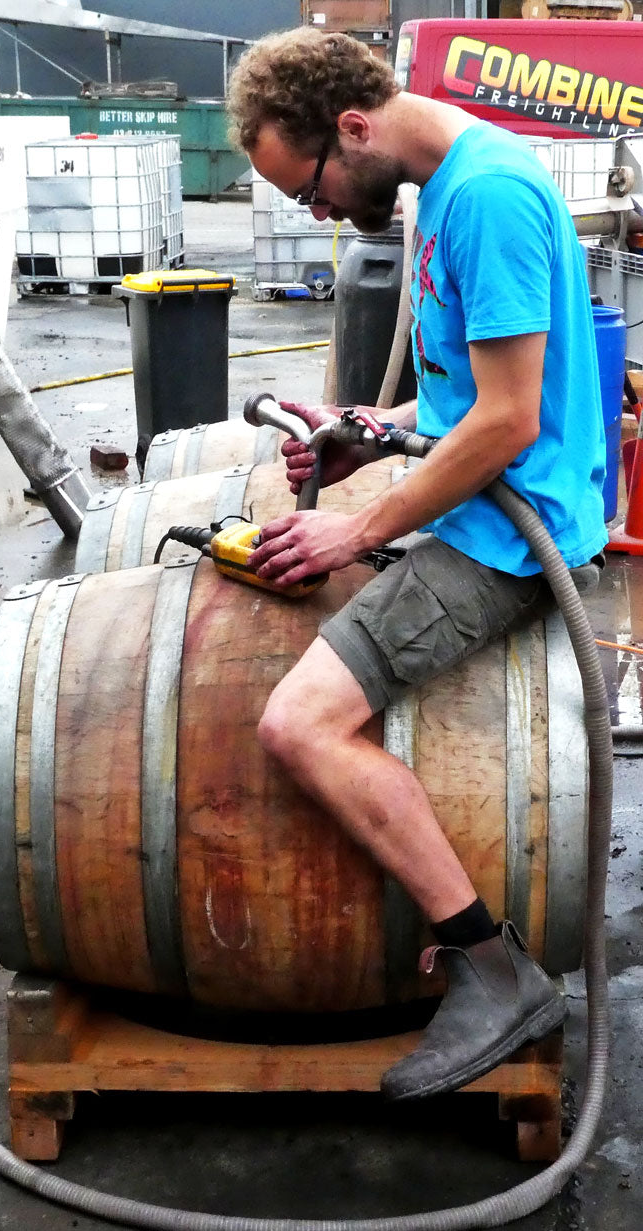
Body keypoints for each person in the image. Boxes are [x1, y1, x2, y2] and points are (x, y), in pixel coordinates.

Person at [226, 27, 607, 1101]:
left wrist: (358, 525)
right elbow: (454, 404)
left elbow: (505, 423)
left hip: (507, 534)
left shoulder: (482, 199)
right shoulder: (444, 188)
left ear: (349, 130)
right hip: (483, 498)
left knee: (294, 723)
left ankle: (493, 967)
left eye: (305, 186)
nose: (313, 211)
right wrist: (367, 426)